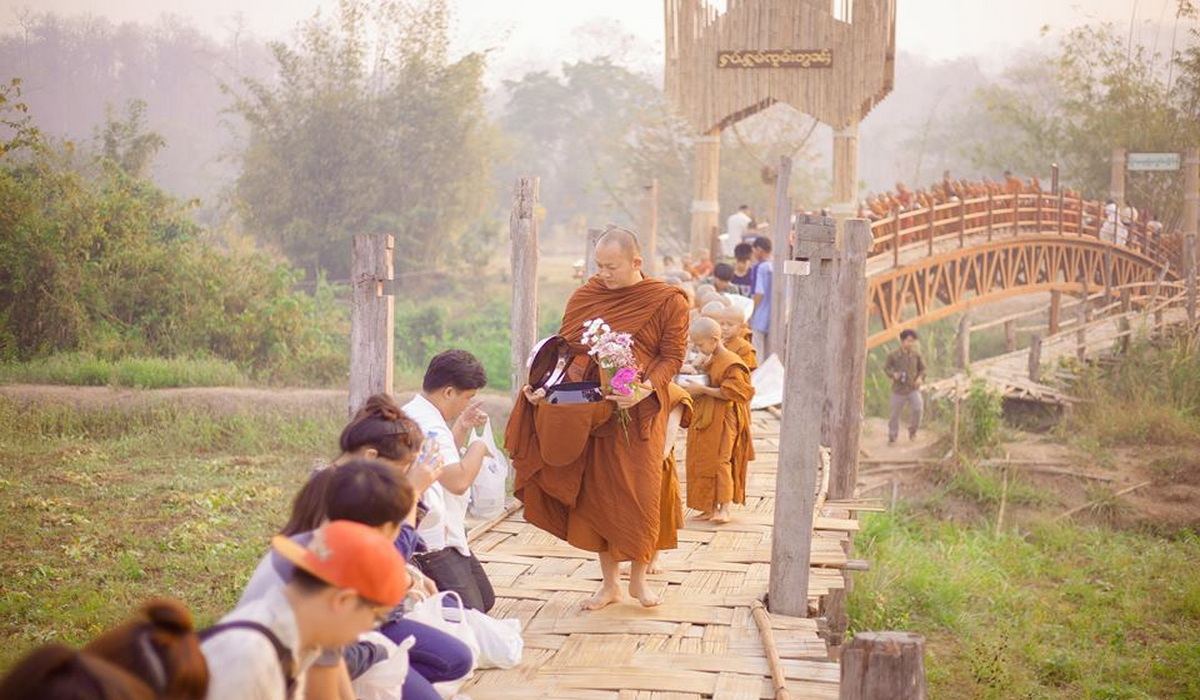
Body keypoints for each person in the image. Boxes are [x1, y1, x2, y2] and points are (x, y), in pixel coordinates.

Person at [509, 225, 689, 610]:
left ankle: (639, 579)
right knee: (596, 495)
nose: (603, 274)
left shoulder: (667, 300)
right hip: (594, 410)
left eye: (612, 267)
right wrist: (544, 386)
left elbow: (672, 356)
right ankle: (610, 584)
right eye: (599, 265)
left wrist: (643, 389)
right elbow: (564, 350)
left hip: (640, 409)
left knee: (641, 492)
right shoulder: (585, 296)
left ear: (636, 262)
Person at [243, 458, 472, 700]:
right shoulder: (322, 584)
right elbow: (327, 667)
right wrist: (378, 651)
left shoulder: (316, 550)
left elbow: (332, 659)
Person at [201, 520, 410, 700]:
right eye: (375, 617)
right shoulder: (249, 657)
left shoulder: (295, 641)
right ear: (343, 601)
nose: (367, 628)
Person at [403, 350, 496, 612]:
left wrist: (462, 427)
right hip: (429, 542)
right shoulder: (428, 424)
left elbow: (441, 467)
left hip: (442, 527)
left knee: (485, 600)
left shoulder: (418, 412)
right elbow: (458, 480)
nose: (466, 405)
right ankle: (418, 591)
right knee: (472, 611)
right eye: (467, 398)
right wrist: (479, 446)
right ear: (448, 392)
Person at [682, 317, 755, 524]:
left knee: (721, 461)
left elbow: (738, 392)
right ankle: (708, 506)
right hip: (707, 416)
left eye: (700, 344)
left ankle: (724, 507)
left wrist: (702, 389)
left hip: (725, 418)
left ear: (714, 340)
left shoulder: (731, 362)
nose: (697, 348)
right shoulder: (710, 359)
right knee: (702, 459)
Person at [649, 381, 693, 574]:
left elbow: (666, 446)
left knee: (660, 511)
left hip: (658, 464)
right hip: (632, 461)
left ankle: (654, 559)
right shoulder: (636, 387)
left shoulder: (674, 395)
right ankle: (636, 557)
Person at [884, 329, 926, 445]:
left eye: (913, 341)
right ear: (902, 341)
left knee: (918, 409)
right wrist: (893, 375)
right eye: (909, 341)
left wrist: (920, 378)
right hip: (898, 390)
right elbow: (886, 368)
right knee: (894, 415)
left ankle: (913, 431)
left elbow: (923, 369)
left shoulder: (916, 355)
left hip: (913, 389)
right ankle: (892, 436)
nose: (911, 344)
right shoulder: (893, 355)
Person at [707, 303, 757, 371]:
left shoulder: (745, 348)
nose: (725, 328)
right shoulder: (718, 343)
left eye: (730, 325)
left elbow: (745, 372)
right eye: (722, 324)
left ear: (742, 326)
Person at [749, 236, 773, 357]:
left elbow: (759, 292)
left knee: (758, 352)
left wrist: (751, 312)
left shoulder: (759, 267)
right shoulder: (776, 265)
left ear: (759, 250)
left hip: (759, 316)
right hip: (775, 317)